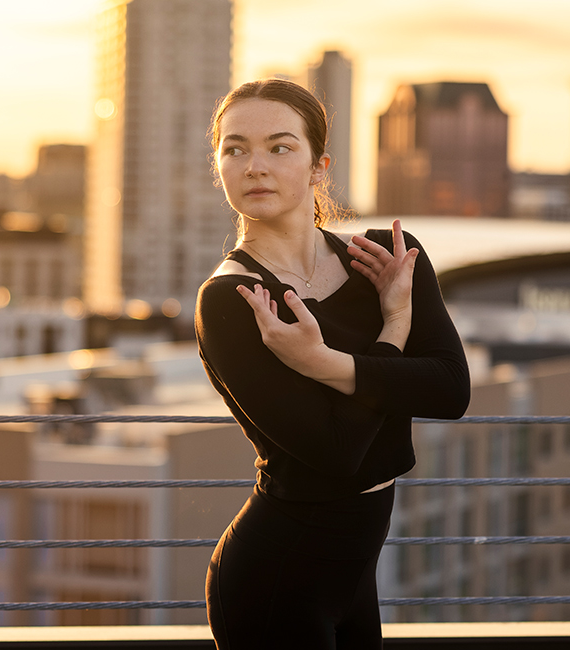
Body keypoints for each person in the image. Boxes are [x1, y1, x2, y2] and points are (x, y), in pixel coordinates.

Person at [195, 78, 471, 649]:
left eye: (280, 146)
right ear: (218, 165)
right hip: (275, 579)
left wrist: (325, 361)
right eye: (235, 148)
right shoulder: (233, 300)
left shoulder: (385, 259)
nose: (254, 166)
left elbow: (450, 390)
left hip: (354, 575)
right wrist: (394, 327)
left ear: (320, 167)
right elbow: (337, 453)